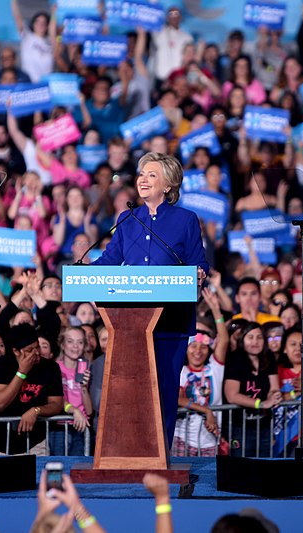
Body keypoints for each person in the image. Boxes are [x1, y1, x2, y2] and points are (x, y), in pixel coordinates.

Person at [92, 152, 209, 447]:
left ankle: (161, 455)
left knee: (165, 392)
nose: (143, 179)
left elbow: (199, 263)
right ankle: (129, 452)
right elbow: (110, 260)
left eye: (152, 175)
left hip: (171, 322)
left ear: (168, 185)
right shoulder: (128, 218)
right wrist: (80, 274)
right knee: (131, 391)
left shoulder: (186, 220)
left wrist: (199, 275)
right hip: (130, 322)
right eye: (142, 174)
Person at [0, 323, 63, 454]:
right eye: (29, 350)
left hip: (35, 444)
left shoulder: (51, 368)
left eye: (37, 347)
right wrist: (22, 372)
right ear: (16, 351)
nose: (36, 353)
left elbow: (57, 404)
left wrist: (36, 410)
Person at [174, 288, 229, 456]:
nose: (198, 351)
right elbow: (179, 398)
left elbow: (224, 339)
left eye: (203, 347)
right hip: (181, 439)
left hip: (209, 441)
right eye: (193, 346)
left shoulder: (214, 368)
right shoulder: (181, 371)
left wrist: (215, 310)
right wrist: (206, 411)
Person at [223, 322, 282, 457]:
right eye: (250, 337)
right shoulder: (235, 358)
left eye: (259, 337)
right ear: (242, 339)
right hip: (239, 426)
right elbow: (232, 395)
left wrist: (275, 396)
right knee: (241, 471)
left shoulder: (269, 358)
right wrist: (261, 403)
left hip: (264, 425)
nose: (255, 342)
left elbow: (274, 387)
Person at [49, 326, 93, 456]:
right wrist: (74, 410)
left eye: (80, 342)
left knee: (78, 469)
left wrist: (84, 387)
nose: (75, 346)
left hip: (81, 427)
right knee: (59, 467)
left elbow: (89, 411)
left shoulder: (86, 369)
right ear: (62, 344)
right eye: (70, 341)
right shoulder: (55, 368)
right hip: (59, 427)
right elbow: (55, 399)